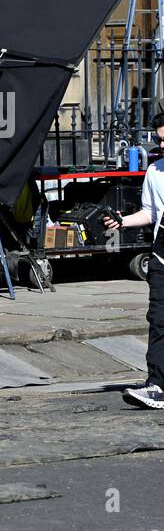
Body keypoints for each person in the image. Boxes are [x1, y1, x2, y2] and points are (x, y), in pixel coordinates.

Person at [104, 113, 164, 409]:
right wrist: (123, 221)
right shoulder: (155, 171)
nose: (162, 144)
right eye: (160, 139)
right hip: (162, 256)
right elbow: (151, 212)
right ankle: (157, 385)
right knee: (158, 320)